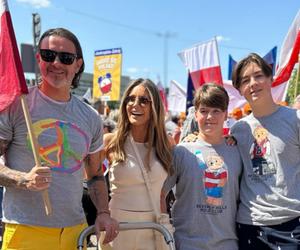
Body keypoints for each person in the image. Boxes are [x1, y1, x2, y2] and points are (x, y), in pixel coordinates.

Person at [0, 27, 118, 250]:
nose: (56, 63)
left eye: (66, 58)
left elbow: (94, 175)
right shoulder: (17, 105)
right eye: (48, 55)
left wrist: (103, 212)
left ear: (78, 64)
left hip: (74, 231)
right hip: (25, 231)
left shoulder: (91, 117)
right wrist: (22, 180)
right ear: (38, 59)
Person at [231, 53, 300, 249]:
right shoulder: (238, 130)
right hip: (250, 225)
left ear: (270, 79)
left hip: (292, 225)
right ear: (239, 90)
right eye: (245, 80)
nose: (253, 83)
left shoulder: (295, 119)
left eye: (258, 76)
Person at [162, 83, 243, 250]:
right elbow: (160, 193)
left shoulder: (238, 151)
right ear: (196, 113)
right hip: (186, 244)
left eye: (216, 111)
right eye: (204, 111)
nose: (209, 117)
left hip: (227, 244)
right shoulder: (181, 152)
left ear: (226, 114)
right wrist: (165, 230)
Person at [103, 78, 173, 249]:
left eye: (143, 100)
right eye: (130, 99)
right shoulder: (110, 142)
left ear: (154, 106)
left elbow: (162, 195)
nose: (135, 104)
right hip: (117, 230)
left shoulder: (167, 144)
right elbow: (90, 180)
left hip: (154, 229)